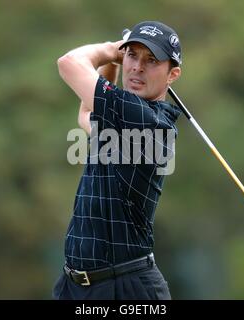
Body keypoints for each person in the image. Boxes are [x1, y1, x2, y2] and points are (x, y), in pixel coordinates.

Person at [54, 21, 182, 300]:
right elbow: (87, 114)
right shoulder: (130, 113)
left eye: (151, 60)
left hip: (125, 288)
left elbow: (69, 62)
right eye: (132, 55)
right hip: (76, 286)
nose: (137, 67)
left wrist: (111, 50)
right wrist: (114, 63)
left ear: (172, 74)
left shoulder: (144, 119)